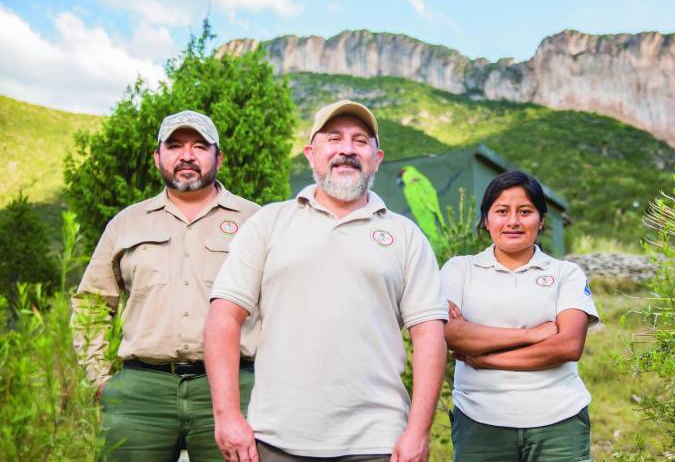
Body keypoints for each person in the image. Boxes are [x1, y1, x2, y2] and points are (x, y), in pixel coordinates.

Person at [205, 100, 447, 462]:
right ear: (311, 153)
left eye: (360, 140)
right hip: (275, 440)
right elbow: (224, 317)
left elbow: (429, 334)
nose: (347, 149)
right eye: (334, 138)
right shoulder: (268, 223)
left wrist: (418, 431)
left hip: (379, 443)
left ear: (377, 158)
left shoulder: (405, 236)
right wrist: (227, 416)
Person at [72, 110, 260, 461]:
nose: (187, 155)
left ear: (218, 157)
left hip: (234, 389)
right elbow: (92, 303)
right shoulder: (126, 223)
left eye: (200, 146)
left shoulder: (256, 221)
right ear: (157, 157)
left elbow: (282, 306)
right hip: (142, 392)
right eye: (174, 146)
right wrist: (98, 377)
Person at [441, 170, 599, 462]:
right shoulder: (459, 270)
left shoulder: (566, 274)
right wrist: (531, 334)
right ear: (486, 220)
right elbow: (449, 333)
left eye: (525, 211)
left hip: (559, 423)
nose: (513, 221)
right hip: (480, 422)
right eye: (501, 211)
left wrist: (485, 357)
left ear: (540, 220)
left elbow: (568, 346)